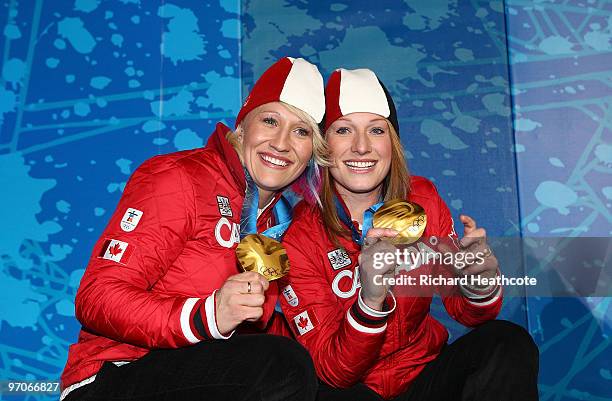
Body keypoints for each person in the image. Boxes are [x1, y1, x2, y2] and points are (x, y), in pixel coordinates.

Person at [60, 57, 328, 401]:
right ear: (243, 127)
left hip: (200, 373)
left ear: (312, 152)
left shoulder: (276, 223)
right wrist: (207, 315)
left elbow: (253, 331)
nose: (281, 142)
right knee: (280, 366)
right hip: (114, 376)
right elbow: (97, 298)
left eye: (301, 131)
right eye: (270, 120)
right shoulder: (181, 177)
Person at [279, 68, 539, 401]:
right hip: (356, 388)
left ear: (393, 142)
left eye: (376, 130)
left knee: (507, 341)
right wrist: (370, 300)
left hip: (424, 374)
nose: (361, 147)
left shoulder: (423, 200)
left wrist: (478, 282)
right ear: (322, 145)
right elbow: (335, 371)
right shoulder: (297, 237)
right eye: (344, 130)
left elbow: (470, 313)